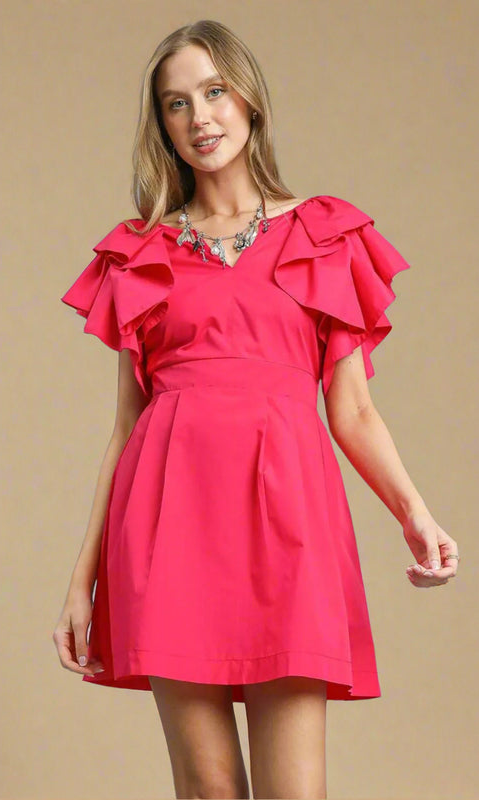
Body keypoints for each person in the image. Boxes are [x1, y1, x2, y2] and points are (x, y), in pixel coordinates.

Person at [52, 19, 460, 800]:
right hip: (166, 525)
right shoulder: (141, 251)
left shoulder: (323, 233)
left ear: (249, 101)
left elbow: (353, 412)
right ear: (161, 125)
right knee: (207, 794)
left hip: (288, 521)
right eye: (176, 104)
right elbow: (127, 428)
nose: (199, 118)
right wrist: (82, 580)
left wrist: (416, 515)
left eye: (213, 92)